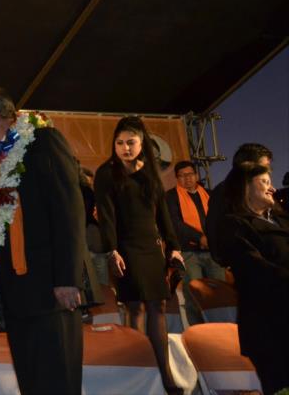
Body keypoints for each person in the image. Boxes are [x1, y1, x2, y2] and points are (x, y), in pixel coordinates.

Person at [0, 87, 86, 394]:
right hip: (17, 295)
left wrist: (68, 279)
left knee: (56, 383)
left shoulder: (42, 141)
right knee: (32, 384)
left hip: (51, 290)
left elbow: (68, 210)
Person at [94, 116, 183, 394]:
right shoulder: (106, 173)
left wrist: (174, 245)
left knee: (158, 308)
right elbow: (106, 216)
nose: (125, 148)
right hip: (125, 249)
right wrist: (112, 250)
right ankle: (138, 374)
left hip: (151, 249)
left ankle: (166, 374)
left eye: (130, 142)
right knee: (135, 308)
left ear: (142, 142)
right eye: (119, 143)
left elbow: (163, 212)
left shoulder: (149, 171)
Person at [219, 163, 288, 394]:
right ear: (245, 188)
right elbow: (254, 268)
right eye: (265, 182)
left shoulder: (282, 220)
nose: (272, 189)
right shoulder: (234, 225)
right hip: (270, 326)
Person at [165, 160, 225, 324]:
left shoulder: (209, 194)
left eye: (190, 174)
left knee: (219, 291)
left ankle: (223, 327)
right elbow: (175, 224)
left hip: (213, 252)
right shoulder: (170, 196)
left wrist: (212, 238)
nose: (187, 178)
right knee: (193, 293)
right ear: (177, 178)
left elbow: (219, 219)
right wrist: (200, 238)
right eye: (182, 176)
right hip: (189, 252)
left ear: (196, 175)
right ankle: (198, 329)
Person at [206, 143, 273, 265]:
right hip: (248, 264)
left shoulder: (261, 190)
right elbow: (214, 225)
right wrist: (225, 261)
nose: (268, 171)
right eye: (264, 166)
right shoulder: (224, 191)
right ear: (247, 165)